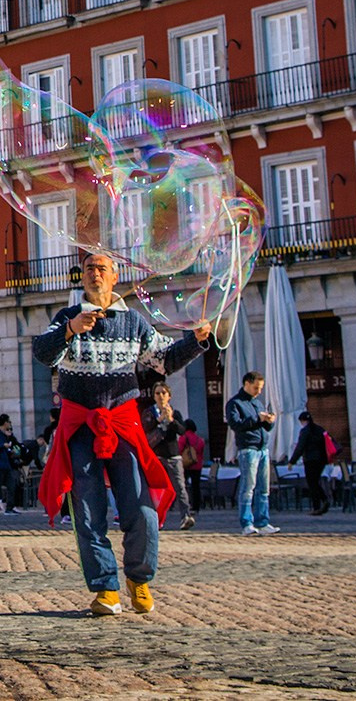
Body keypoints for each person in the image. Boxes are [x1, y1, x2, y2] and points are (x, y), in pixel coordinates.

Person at [32, 248, 212, 616]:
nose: (94, 274)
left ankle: (139, 579)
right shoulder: (67, 316)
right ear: (82, 278)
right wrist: (69, 330)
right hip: (81, 425)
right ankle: (106, 589)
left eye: (102, 268)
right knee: (87, 509)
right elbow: (42, 353)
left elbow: (163, 360)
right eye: (88, 269)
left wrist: (196, 341)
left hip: (122, 423)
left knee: (140, 506)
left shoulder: (134, 323)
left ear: (115, 277)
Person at [225, 372, 279, 536]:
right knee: (248, 488)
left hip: (263, 448)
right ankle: (247, 523)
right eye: (256, 388)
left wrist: (269, 421)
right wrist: (257, 418)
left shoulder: (258, 403)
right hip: (248, 448)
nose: (259, 391)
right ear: (247, 384)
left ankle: (263, 522)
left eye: (260, 388)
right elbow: (236, 424)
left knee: (264, 488)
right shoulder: (234, 403)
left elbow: (265, 427)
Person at [142, 383, 194, 531]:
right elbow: (145, 428)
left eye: (164, 393)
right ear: (154, 396)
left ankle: (186, 516)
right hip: (156, 455)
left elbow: (182, 431)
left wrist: (171, 419)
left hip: (173, 455)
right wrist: (159, 420)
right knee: (155, 488)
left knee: (180, 487)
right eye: (158, 393)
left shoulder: (175, 413)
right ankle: (154, 519)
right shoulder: (149, 413)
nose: (161, 396)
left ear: (169, 396)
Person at [287, 411, 335, 517]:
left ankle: (317, 506)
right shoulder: (320, 429)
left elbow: (300, 447)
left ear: (303, 421)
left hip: (310, 460)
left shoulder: (305, 431)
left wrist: (292, 461)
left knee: (312, 483)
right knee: (315, 482)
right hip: (321, 460)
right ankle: (323, 501)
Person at [0, 415, 23, 515]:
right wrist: (2, 445)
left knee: (11, 486)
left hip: (7, 464)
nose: (10, 423)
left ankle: (9, 508)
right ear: (5, 422)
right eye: (9, 421)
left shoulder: (6, 434)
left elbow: (15, 445)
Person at [178, 422, 208, 511]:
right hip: (197, 465)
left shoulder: (184, 438)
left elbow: (179, 450)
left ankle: (185, 505)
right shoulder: (199, 439)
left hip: (186, 465)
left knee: (182, 486)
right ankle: (196, 506)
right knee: (196, 487)